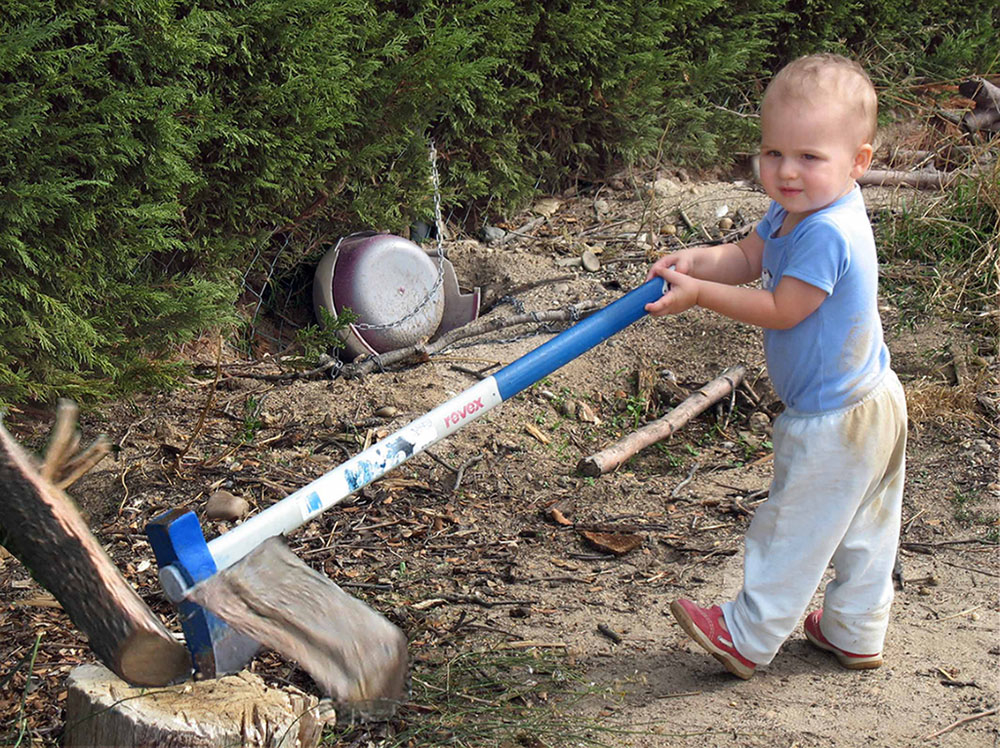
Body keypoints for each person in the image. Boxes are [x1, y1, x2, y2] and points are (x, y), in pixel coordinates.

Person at [644, 53, 907, 679]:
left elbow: (783, 309)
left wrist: (700, 298)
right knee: (863, 528)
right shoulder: (798, 209)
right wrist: (698, 262)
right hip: (871, 398)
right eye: (773, 153)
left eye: (810, 157)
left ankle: (747, 634)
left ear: (858, 162)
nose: (787, 171)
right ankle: (854, 629)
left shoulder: (827, 232)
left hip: (837, 420)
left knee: (794, 526)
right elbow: (747, 256)